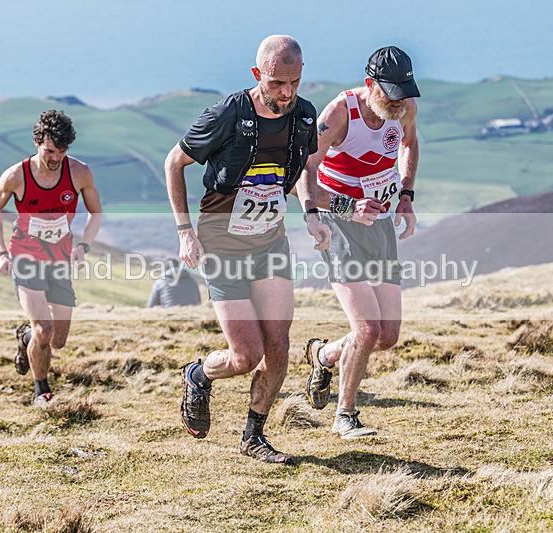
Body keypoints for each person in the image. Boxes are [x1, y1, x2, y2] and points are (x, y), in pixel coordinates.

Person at [164, 35, 330, 464]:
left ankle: (254, 435)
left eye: (295, 82)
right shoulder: (227, 114)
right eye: (277, 83)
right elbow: (174, 163)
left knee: (278, 345)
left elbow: (298, 171)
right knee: (245, 354)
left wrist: (310, 211)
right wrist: (184, 231)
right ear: (258, 75)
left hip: (270, 242)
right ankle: (198, 374)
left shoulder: (305, 116)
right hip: (221, 243)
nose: (288, 93)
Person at [300, 46, 420, 438]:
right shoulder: (339, 114)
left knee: (387, 335)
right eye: (391, 92)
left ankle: (325, 354)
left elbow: (408, 144)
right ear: (370, 85)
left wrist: (405, 196)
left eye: (404, 91)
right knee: (367, 329)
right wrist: (341, 207)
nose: (399, 101)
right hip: (341, 225)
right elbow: (304, 172)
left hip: (381, 222)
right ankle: (345, 415)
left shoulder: (403, 107)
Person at [0, 110, 102, 404]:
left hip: (60, 258)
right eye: (50, 151)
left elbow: (96, 213)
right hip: (25, 256)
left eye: (62, 151)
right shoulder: (16, 176)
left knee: (58, 340)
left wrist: (83, 247)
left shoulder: (79, 172)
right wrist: (2, 252)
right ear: (37, 142)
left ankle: (27, 339)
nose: (55, 158)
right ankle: (41, 390)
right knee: (45, 329)